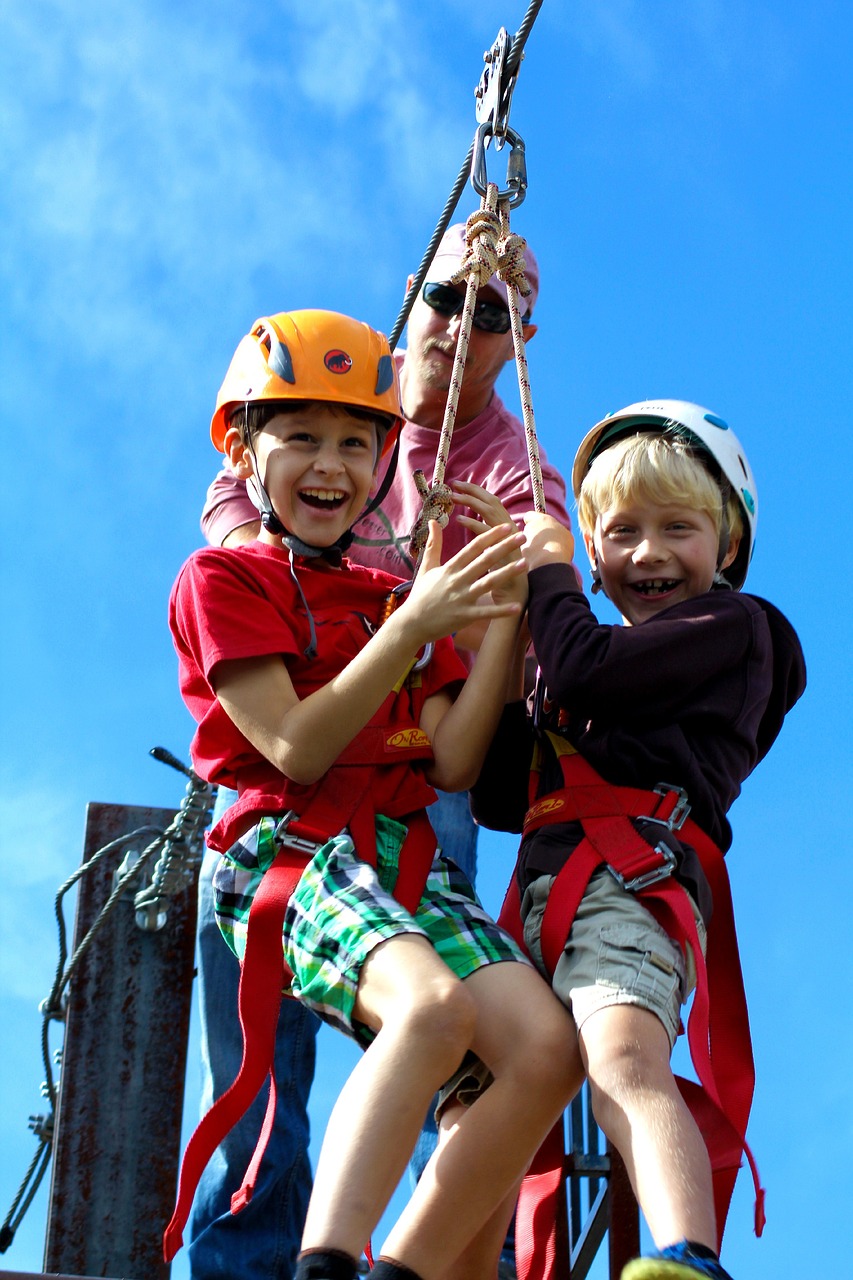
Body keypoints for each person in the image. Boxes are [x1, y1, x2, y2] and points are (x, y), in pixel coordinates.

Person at [188, 225, 571, 1280]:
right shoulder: (261, 540)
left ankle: (407, 1261)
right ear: (416, 297)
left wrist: (482, 612)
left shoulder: (501, 472)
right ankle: (289, 1260)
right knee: (332, 1041)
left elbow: (454, 757)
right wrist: (359, 610)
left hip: (400, 806)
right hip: (286, 823)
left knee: (523, 1049)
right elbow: (294, 740)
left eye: (490, 313)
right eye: (447, 298)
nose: (458, 325)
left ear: (518, 338)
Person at [471, 401, 806, 1280]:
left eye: (676, 529)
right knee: (479, 1085)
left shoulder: (737, 631)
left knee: (622, 1053)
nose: (647, 552)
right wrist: (509, 650)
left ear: (727, 547)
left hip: (631, 879)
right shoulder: (587, 663)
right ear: (593, 547)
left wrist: (548, 583)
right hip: (546, 888)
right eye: (620, 533)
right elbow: (501, 792)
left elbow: (585, 666)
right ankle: (456, 1257)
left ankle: (686, 1257)